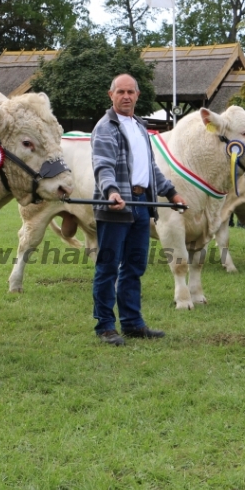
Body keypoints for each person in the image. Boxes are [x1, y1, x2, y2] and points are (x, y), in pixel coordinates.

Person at [90, 74, 186, 346]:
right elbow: (103, 165)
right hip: (116, 206)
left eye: (130, 91)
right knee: (108, 267)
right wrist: (111, 191)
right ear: (111, 95)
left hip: (143, 205)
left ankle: (132, 323)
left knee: (134, 266)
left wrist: (171, 192)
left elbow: (151, 169)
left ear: (137, 95)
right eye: (120, 91)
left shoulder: (140, 127)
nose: (126, 96)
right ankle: (106, 326)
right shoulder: (105, 127)